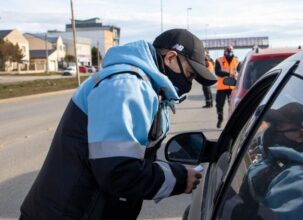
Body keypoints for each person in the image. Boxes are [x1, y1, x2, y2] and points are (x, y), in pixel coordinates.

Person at [20, 29, 217, 220]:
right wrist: (179, 179)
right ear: (171, 58)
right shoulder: (127, 86)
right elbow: (118, 171)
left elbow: (135, 157)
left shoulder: (148, 88)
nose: (189, 84)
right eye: (190, 74)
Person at [222, 102, 303, 220]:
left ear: (301, 135)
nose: (271, 130)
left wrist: (224, 200)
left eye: (279, 125)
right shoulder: (277, 159)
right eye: (272, 124)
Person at [215, 45, 240, 128]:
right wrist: (229, 74)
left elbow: (241, 70)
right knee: (219, 104)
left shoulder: (237, 60)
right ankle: (220, 119)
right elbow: (217, 72)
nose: (229, 52)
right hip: (222, 87)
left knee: (232, 105)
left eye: (230, 50)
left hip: (233, 87)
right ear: (224, 51)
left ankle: (232, 122)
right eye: (227, 50)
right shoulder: (219, 60)